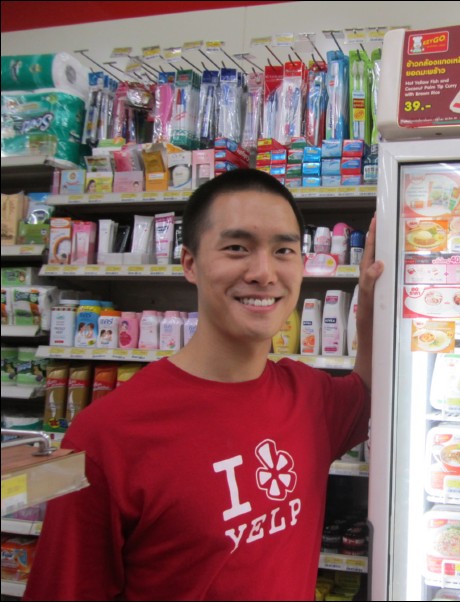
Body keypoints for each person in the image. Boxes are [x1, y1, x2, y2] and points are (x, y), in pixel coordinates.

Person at [23, 169, 384, 601]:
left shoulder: (311, 397)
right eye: (237, 248)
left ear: (302, 266)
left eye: (283, 250)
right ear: (189, 263)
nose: (264, 272)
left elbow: (370, 391)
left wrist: (371, 297)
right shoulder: (102, 438)